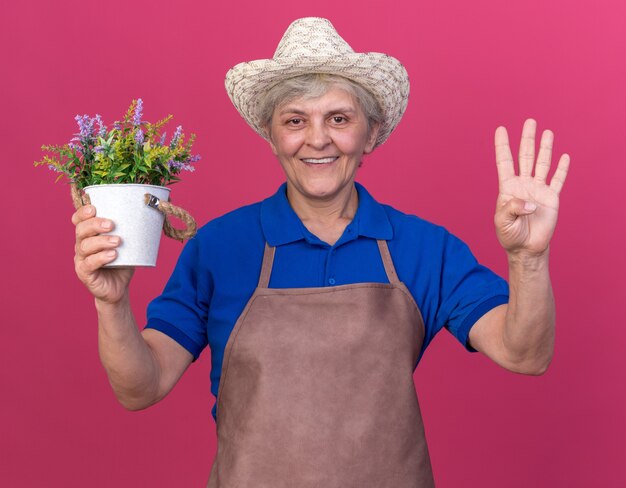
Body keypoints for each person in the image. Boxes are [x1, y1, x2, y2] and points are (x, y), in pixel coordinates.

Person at [71, 17, 570, 488]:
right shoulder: (219, 247)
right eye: (294, 120)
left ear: (370, 133)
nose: (316, 139)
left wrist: (528, 259)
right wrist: (111, 304)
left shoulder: (424, 248)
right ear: (271, 134)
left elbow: (526, 355)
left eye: (338, 117)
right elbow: (141, 387)